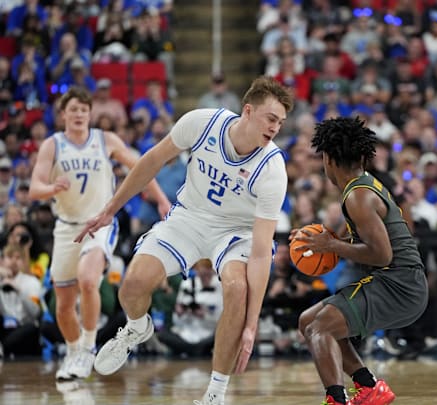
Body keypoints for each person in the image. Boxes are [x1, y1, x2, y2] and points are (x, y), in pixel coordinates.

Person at [76, 76, 293, 405]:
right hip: (189, 216)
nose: (276, 128)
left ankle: (215, 394)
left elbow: (262, 253)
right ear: (248, 111)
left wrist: (251, 326)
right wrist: (110, 210)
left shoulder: (273, 169)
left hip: (237, 231)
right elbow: (150, 161)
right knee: (133, 285)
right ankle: (137, 327)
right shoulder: (202, 123)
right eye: (271, 118)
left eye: (281, 122)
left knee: (237, 288)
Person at [28, 86, 171, 381]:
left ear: (90, 114)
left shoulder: (105, 140)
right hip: (66, 228)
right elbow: (34, 189)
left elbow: (140, 167)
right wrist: (52, 188)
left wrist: (160, 199)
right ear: (63, 114)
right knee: (64, 304)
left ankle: (89, 349)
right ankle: (73, 351)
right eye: (73, 109)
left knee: (89, 280)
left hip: (100, 223)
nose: (79, 114)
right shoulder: (52, 145)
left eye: (84, 109)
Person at [293, 117, 428, 405]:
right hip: (396, 282)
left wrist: (331, 245)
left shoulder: (358, 196)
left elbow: (382, 255)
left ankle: (336, 399)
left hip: (399, 285)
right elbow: (351, 235)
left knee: (321, 328)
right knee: (308, 322)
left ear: (328, 159)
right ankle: (369, 387)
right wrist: (318, 239)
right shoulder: (361, 186)